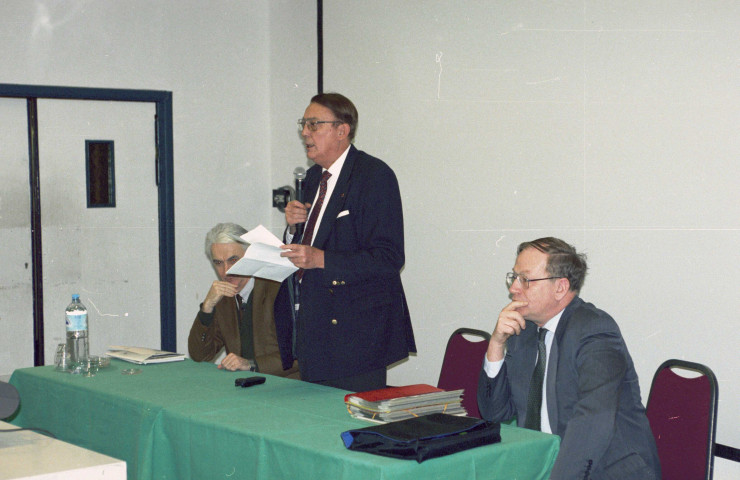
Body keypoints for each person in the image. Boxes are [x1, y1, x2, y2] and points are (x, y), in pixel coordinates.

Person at [477, 237, 660, 479]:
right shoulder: (524, 330)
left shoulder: (595, 330)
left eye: (526, 280)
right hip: (545, 465)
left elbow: (591, 424)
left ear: (560, 288)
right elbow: (494, 413)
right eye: (514, 277)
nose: (513, 289)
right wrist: (497, 343)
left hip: (601, 470)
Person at [275, 92, 416, 392]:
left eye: (314, 124)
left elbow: (389, 258)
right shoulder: (312, 179)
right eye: (304, 124)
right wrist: (291, 230)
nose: (304, 132)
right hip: (314, 333)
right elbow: (307, 246)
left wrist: (320, 259)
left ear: (342, 130)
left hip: (356, 340)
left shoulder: (374, 176)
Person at [188, 222, 299, 378]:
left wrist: (252, 364)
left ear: (251, 257)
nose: (226, 271)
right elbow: (200, 355)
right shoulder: (223, 297)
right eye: (218, 263)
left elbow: (300, 354)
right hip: (247, 388)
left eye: (233, 260)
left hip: (287, 388)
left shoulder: (278, 289)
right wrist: (207, 307)